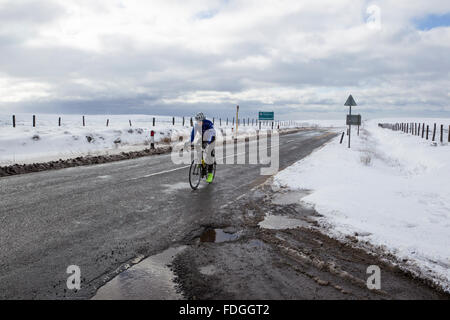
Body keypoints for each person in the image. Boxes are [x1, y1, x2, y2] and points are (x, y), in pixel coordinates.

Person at [191, 112, 216, 183]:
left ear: (203, 120)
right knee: (199, 149)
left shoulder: (208, 124)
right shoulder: (197, 125)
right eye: (197, 121)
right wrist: (190, 142)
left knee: (209, 155)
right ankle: (201, 164)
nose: (198, 122)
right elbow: (193, 134)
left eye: (200, 121)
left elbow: (210, 134)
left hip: (211, 138)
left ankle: (210, 174)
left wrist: (207, 143)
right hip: (203, 137)